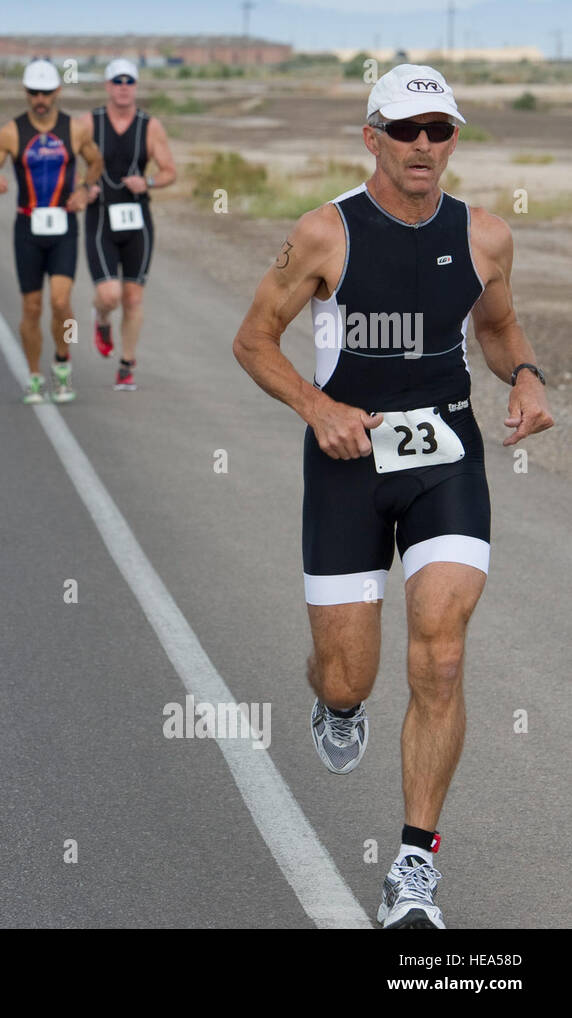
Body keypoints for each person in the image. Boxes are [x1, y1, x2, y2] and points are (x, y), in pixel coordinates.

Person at [231, 65, 554, 928]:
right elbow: (253, 339)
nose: (423, 146)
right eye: (406, 129)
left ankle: (414, 865)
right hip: (346, 460)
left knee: (442, 653)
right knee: (352, 673)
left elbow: (494, 326)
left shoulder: (485, 236)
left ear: (453, 139)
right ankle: (334, 704)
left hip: (446, 453)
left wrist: (523, 376)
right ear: (370, 135)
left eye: (438, 129)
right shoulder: (324, 234)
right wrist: (317, 406)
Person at [0, 59, 102, 404]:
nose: (40, 98)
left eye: (46, 92)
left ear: (57, 92)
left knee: (61, 302)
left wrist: (84, 189)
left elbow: (96, 161)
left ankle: (62, 363)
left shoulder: (75, 130)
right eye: (34, 92)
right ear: (26, 93)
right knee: (32, 307)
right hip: (28, 228)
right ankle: (34, 376)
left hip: (63, 227)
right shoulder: (11, 132)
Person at [76, 59, 176, 391]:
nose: (123, 87)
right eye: (117, 81)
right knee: (110, 295)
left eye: (129, 81)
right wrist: (82, 187)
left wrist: (147, 181)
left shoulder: (150, 126)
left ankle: (126, 365)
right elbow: (64, 161)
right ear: (107, 85)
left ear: (135, 86)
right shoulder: (89, 123)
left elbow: (169, 171)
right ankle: (101, 318)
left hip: (137, 220)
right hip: (101, 216)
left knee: (133, 298)